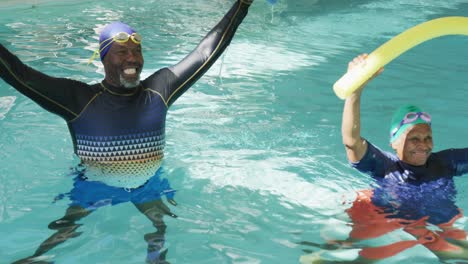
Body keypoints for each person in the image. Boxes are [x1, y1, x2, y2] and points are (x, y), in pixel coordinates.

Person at [0, 0, 254, 263]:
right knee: (63, 234)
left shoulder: (159, 90)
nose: (132, 58)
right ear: (104, 58)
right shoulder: (78, 99)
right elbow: (20, 75)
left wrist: (243, 4)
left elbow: (206, 53)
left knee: (161, 228)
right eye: (122, 52)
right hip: (94, 186)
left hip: (148, 184)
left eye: (137, 51)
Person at [303, 54, 468, 264]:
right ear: (394, 142)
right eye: (413, 138)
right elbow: (352, 141)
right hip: (392, 220)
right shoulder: (386, 166)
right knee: (370, 255)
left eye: (428, 138)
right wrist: (356, 90)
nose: (423, 144)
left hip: (440, 219)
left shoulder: (446, 162)